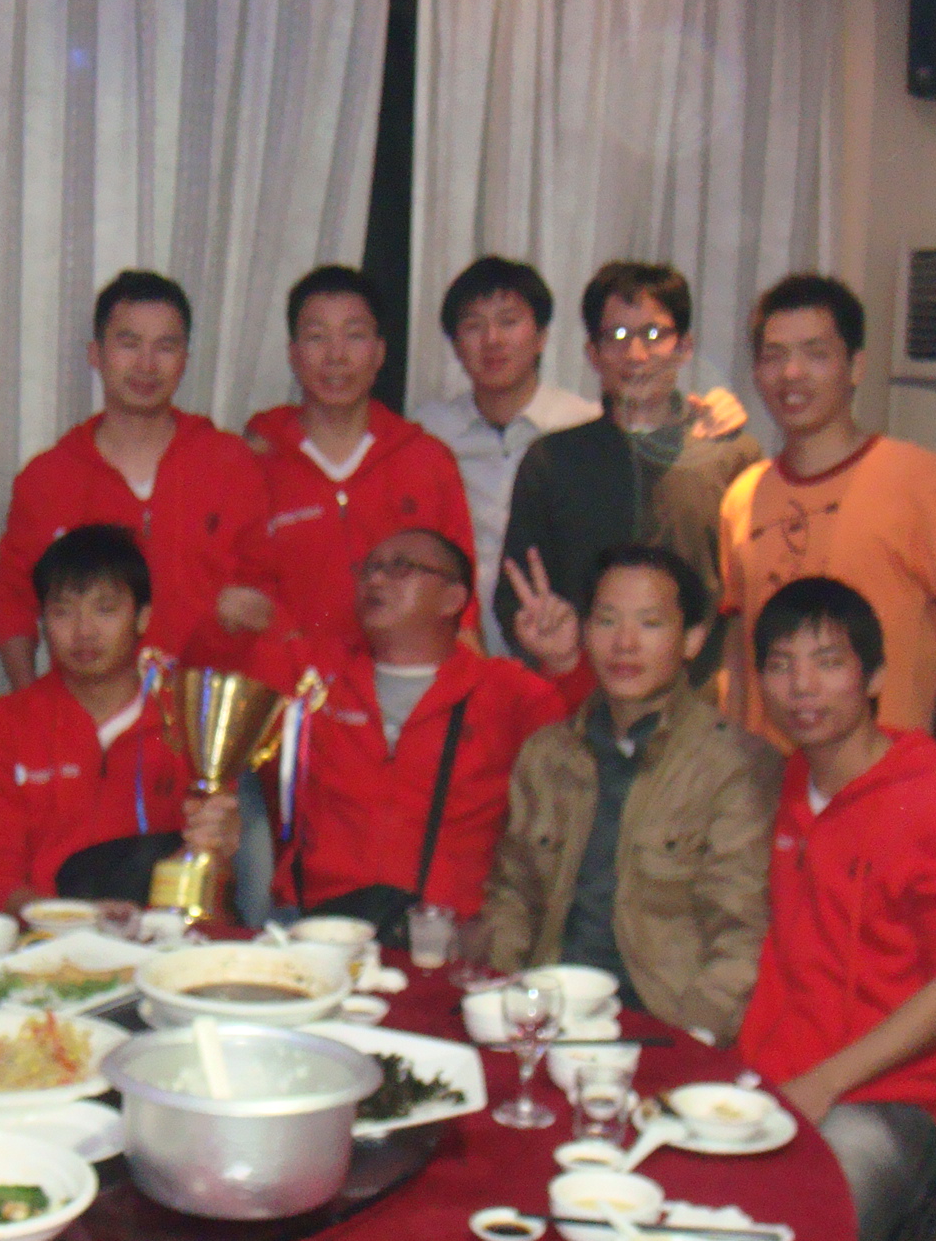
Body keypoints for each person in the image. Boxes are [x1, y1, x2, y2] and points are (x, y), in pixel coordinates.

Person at [736, 577, 936, 1241]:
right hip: (773, 1078)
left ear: (876, 676)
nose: (802, 687)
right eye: (780, 665)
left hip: (891, 1099)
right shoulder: (786, 784)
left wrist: (824, 1083)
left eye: (828, 662)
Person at [201, 528, 593, 931]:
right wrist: (228, 632)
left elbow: (590, 755)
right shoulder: (312, 675)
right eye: (369, 568)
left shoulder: (507, 692)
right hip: (315, 928)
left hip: (449, 937)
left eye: (401, 567)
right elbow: (209, 704)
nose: (376, 579)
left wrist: (565, 664)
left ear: (452, 599)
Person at [483, 545, 778, 1043]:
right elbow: (511, 897)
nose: (624, 644)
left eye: (650, 623)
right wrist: (501, 999)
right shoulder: (548, 754)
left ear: (692, 639)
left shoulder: (734, 765)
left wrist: (690, 1042)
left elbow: (741, 935)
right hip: (545, 1015)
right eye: (606, 621)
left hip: (663, 1026)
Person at [719, 274, 936, 747]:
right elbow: (738, 656)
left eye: (815, 353)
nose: (792, 373)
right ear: (756, 373)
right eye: (774, 356)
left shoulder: (920, 479)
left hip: (882, 771)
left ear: (855, 366)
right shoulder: (742, 495)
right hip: (768, 776)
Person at [0, 270, 265, 688]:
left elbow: (267, 585)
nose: (146, 365)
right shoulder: (49, 478)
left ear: (185, 359)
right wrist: (30, 701)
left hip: (204, 709)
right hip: (90, 710)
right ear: (96, 354)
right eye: (129, 344)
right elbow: (11, 596)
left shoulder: (229, 463)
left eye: (165, 347)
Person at [494, 261, 761, 684]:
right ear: (593, 354)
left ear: (684, 347)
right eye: (616, 337)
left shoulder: (731, 457)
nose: (636, 355)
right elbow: (516, 596)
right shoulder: (553, 460)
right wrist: (544, 639)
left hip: (701, 699)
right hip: (580, 694)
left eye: (654, 335)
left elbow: (753, 595)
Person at [0, 525, 240, 912]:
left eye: (105, 609)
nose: (84, 631)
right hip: (46, 935)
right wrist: (74, 919)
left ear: (143, 618)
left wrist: (221, 840)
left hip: (163, 931)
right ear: (43, 622)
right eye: (63, 612)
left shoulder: (189, 722)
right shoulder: (3, 726)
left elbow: (213, 873)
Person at [223, 265, 477, 652]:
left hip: (404, 681)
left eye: (354, 336)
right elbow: (240, 593)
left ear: (379, 352)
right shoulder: (252, 464)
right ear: (293, 354)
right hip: (289, 682)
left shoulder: (426, 460)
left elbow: (461, 607)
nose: (336, 356)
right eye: (317, 337)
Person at [412, 257, 600, 652]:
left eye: (509, 321)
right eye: (474, 326)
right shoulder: (427, 434)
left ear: (541, 336)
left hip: (564, 647)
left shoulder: (583, 424)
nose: (492, 340)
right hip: (458, 648)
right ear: (456, 346)